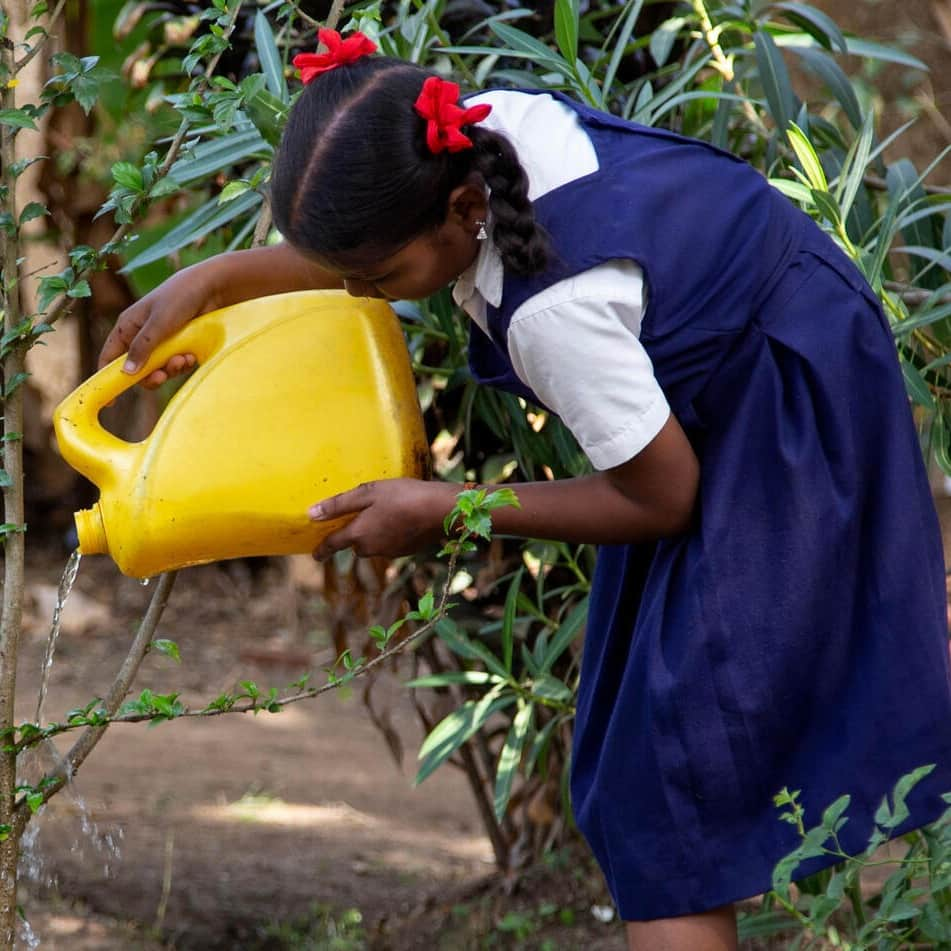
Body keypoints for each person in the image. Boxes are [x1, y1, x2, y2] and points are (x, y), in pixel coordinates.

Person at [98, 28, 951, 951]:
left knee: (664, 794)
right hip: (733, 382)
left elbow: (660, 500)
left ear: (463, 211)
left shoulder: (554, 307)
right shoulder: (476, 135)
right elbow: (392, 241)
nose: (354, 294)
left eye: (373, 281)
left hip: (775, 425)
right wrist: (214, 277)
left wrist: (447, 508)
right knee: (643, 751)